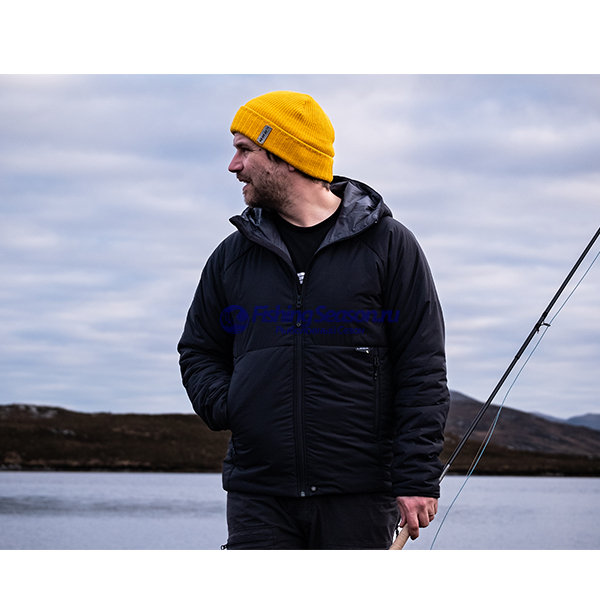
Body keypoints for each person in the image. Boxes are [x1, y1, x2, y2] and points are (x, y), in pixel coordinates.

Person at [178, 90, 450, 550]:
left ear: (285, 155)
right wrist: (231, 404)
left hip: (358, 494)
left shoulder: (389, 246)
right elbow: (199, 350)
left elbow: (421, 367)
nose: (233, 166)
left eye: (244, 150)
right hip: (259, 495)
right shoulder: (231, 257)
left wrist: (417, 476)